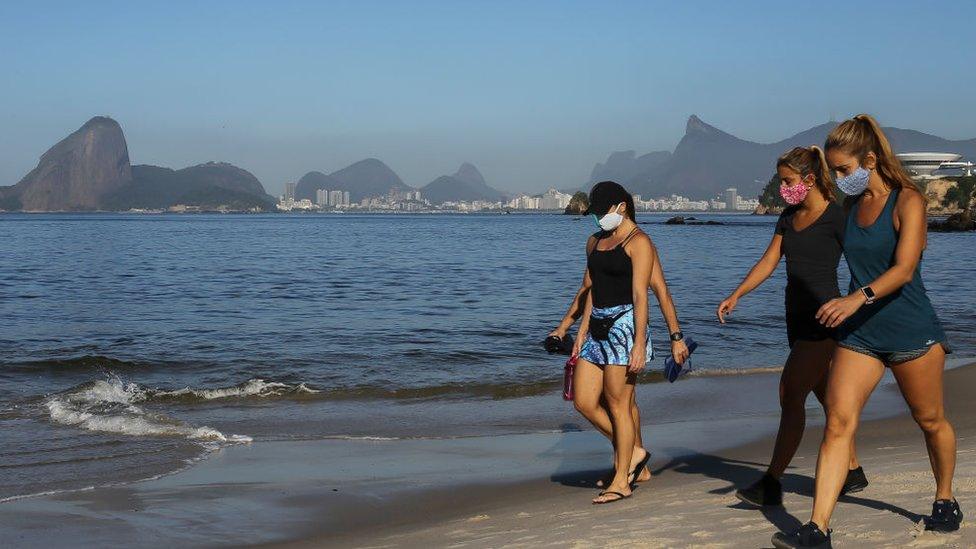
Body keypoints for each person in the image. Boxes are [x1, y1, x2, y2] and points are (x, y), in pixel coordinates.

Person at [772, 115, 961, 549]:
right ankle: (818, 528)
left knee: (930, 421)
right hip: (862, 336)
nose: (839, 179)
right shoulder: (850, 209)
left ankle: (946, 498)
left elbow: (905, 268)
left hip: (911, 331)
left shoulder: (908, 201)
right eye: (834, 172)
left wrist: (855, 298)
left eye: (843, 170)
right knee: (837, 422)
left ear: (870, 160)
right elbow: (813, 243)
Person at [717, 147, 866, 508]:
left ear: (809, 179)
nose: (784, 187)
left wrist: (859, 301)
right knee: (827, 398)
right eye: (783, 181)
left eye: (788, 181)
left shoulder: (836, 217)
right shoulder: (787, 217)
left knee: (790, 392)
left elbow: (863, 263)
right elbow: (769, 261)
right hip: (795, 320)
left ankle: (771, 481)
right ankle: (853, 470)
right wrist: (737, 293)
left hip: (825, 321)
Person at [568, 181, 689, 504]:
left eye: (601, 212)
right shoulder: (594, 242)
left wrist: (649, 341)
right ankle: (634, 453)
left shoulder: (640, 243)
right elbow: (590, 288)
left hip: (624, 327)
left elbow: (645, 294)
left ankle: (622, 479)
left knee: (620, 402)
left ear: (621, 206)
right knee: (584, 400)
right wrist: (577, 329)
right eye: (593, 213)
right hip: (595, 328)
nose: (597, 219)